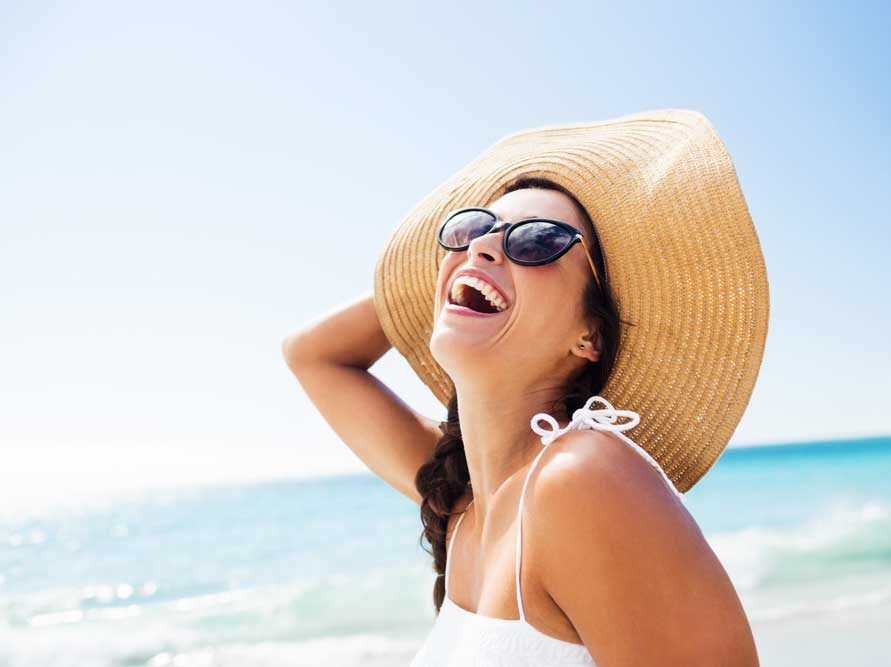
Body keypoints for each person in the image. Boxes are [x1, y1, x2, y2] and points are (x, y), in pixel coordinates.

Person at [284, 109, 769, 665]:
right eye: (473, 228)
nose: (484, 245)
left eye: (538, 241)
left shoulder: (582, 479)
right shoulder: (463, 502)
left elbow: (315, 356)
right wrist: (458, 268)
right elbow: (311, 354)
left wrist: (472, 267)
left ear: (590, 335)